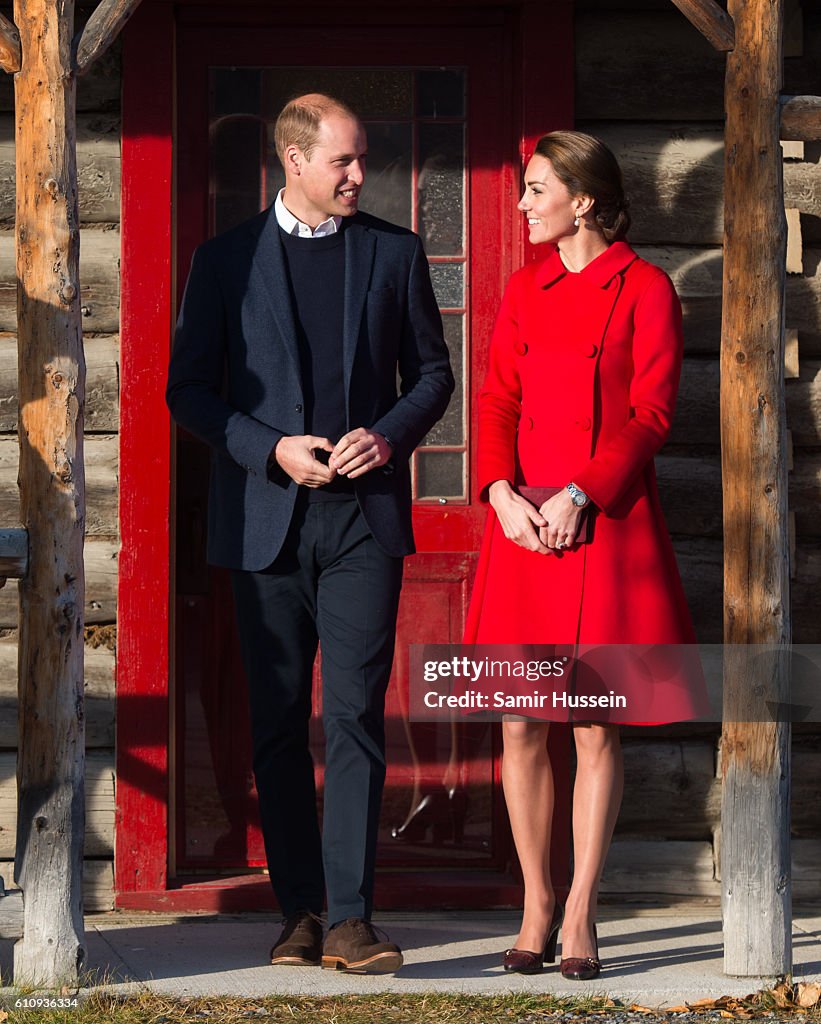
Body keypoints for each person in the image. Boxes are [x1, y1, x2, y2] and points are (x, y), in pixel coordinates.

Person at [167, 93, 454, 974]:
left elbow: (433, 374)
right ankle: (298, 910)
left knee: (357, 716)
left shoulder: (394, 253)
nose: (359, 176)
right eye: (344, 162)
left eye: (361, 158)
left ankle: (352, 920)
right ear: (294, 160)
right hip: (265, 522)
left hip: (362, 523)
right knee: (277, 724)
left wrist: (389, 433)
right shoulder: (223, 262)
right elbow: (190, 392)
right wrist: (270, 448)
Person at [464, 130, 705, 979]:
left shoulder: (643, 289)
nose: (523, 204)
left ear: (585, 201)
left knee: (596, 729)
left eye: (536, 190)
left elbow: (653, 413)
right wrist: (499, 496)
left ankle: (579, 913)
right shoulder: (524, 290)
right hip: (523, 532)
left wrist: (577, 494)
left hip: (601, 526)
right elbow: (495, 398)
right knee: (521, 723)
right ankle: (533, 902)